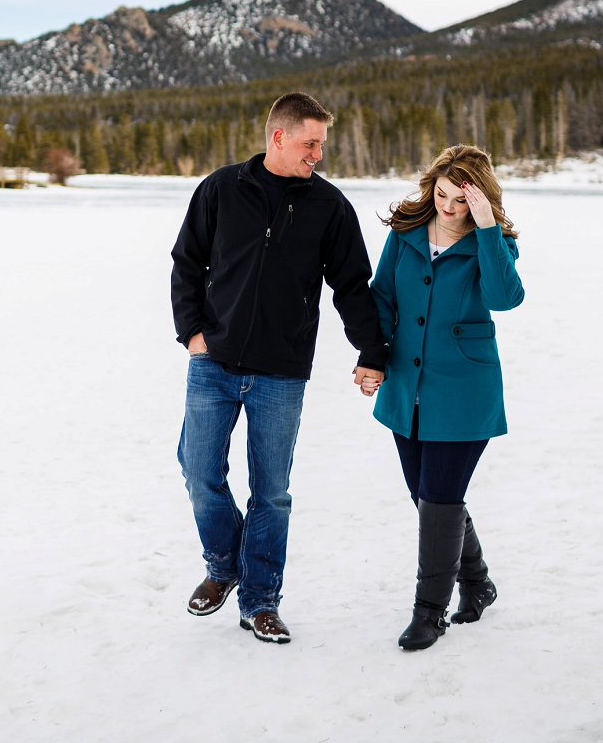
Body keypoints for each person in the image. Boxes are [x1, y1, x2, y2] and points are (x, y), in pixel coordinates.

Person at [170, 91, 389, 645]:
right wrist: (193, 333)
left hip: (281, 372)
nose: (318, 154)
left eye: (322, 144)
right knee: (199, 472)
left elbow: (352, 287)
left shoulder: (329, 206)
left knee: (271, 492)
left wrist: (372, 351)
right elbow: (186, 261)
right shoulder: (221, 189)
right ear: (278, 137)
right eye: (309, 144)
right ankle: (223, 565)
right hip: (212, 362)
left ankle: (260, 601)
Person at [356, 144, 524, 651]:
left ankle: (429, 614)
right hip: (407, 388)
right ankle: (476, 582)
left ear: (480, 199)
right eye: (442, 194)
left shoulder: (492, 244)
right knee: (428, 497)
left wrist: (488, 228)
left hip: (464, 391)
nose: (447, 207)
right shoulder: (405, 234)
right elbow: (382, 296)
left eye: (460, 199)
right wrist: (374, 358)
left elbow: (504, 298)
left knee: (440, 499)